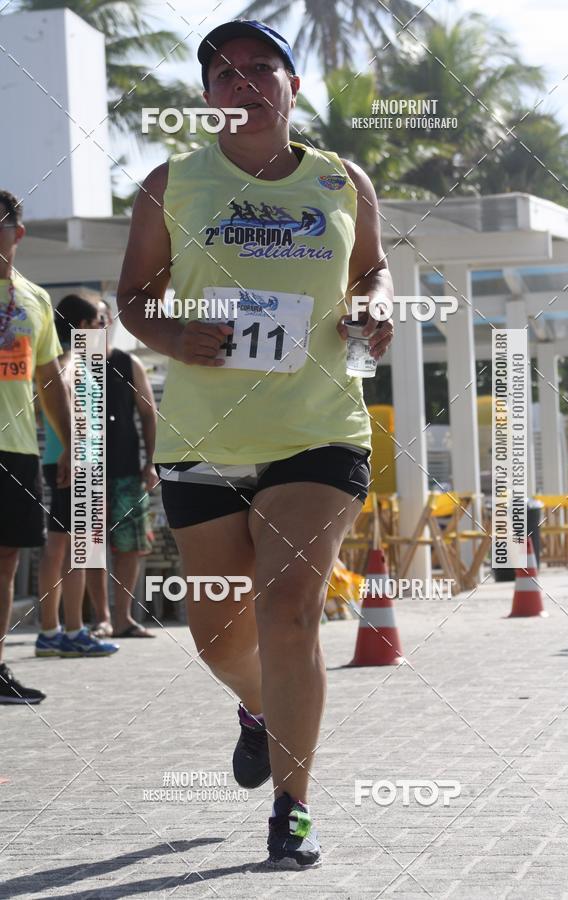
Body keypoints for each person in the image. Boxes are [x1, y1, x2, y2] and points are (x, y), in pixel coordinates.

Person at [116, 19, 394, 868]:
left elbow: (372, 269)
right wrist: (173, 339)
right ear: (208, 99)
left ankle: (292, 805)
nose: (245, 83)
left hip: (319, 431)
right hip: (206, 437)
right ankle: (260, 712)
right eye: (226, 74)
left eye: (262, 69)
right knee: (220, 637)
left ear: (291, 86)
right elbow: (131, 299)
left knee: (288, 609)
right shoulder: (172, 184)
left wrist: (376, 303)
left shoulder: (342, 181)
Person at [0, 190, 71, 704]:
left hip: (18, 449)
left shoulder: (34, 299)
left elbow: (49, 380)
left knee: (6, 562)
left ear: (17, 234)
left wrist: (70, 443)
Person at [35, 294, 119, 658]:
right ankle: (70, 631)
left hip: (70, 460)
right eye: (100, 320)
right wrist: (75, 450)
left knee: (60, 549)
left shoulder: (73, 361)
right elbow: (65, 383)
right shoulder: (74, 361)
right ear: (83, 327)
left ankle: (54, 630)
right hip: (75, 462)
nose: (105, 326)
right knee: (78, 551)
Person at [85, 299, 159, 639]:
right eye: (89, 319)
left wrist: (150, 463)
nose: (97, 323)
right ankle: (102, 618)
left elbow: (148, 414)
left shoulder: (129, 364)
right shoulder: (72, 364)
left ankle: (125, 617)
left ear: (109, 320)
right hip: (86, 470)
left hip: (128, 468)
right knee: (92, 547)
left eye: (101, 317)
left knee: (130, 546)